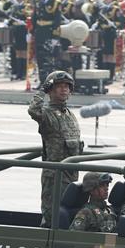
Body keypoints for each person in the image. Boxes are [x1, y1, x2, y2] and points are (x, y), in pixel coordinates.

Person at [29, 70, 83, 226]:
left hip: (71, 174)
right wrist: (41, 91)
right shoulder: (47, 113)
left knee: (67, 213)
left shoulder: (69, 115)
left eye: (67, 86)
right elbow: (33, 110)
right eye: (59, 86)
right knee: (52, 214)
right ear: (50, 90)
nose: (64, 89)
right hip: (54, 175)